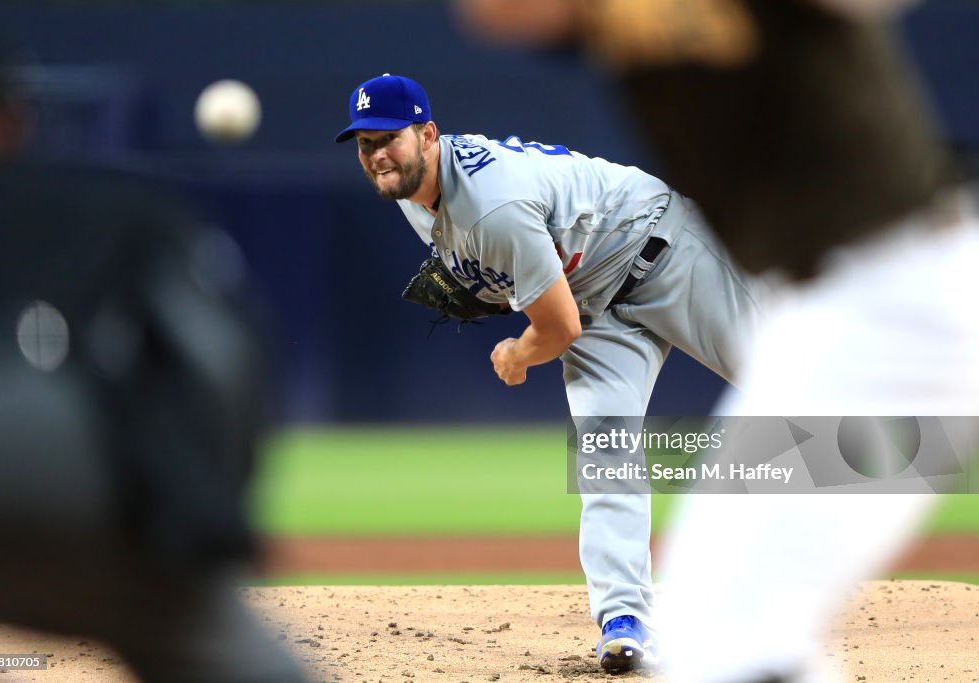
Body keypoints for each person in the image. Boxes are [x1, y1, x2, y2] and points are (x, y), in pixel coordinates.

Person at [455, 1, 979, 681]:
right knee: (723, 631)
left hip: (893, 298)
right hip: (831, 308)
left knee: (721, 635)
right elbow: (504, 14)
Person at [334, 72, 765, 671]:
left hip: (662, 248)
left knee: (790, 380)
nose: (378, 154)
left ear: (428, 134)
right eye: (364, 143)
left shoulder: (492, 207)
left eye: (390, 137)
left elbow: (557, 329)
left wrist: (516, 353)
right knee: (605, 449)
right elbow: (555, 301)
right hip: (593, 298)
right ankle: (625, 619)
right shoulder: (414, 198)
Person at [0, 11, 306, 682]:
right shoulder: (113, 216)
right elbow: (217, 363)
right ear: (8, 122)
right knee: (214, 642)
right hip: (74, 484)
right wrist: (207, 522)